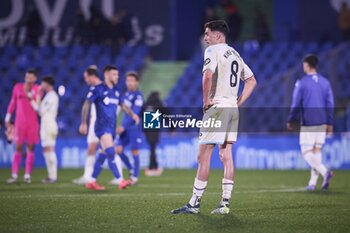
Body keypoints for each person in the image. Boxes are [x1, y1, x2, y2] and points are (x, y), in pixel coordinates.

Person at [171, 20, 257, 214]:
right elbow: (251, 81)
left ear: (218, 36)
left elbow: (208, 76)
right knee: (226, 156)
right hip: (231, 110)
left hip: (217, 108)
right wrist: (237, 102)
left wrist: (206, 100)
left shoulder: (212, 51)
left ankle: (194, 203)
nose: (205, 37)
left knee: (203, 156)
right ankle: (225, 203)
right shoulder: (235, 54)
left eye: (208, 33)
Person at [80, 65, 139, 190]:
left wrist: (133, 115)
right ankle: (120, 180)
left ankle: (92, 180)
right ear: (106, 75)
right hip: (102, 127)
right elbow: (87, 104)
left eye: (117, 74)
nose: (117, 77)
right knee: (111, 152)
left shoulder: (116, 91)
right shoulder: (98, 89)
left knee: (102, 154)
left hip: (111, 127)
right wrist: (83, 123)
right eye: (114, 74)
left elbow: (123, 105)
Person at [287, 54, 334, 191]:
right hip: (322, 121)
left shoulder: (301, 82)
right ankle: (312, 183)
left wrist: (290, 119)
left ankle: (325, 172)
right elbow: (330, 104)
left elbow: (295, 104)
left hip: (308, 122)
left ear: (306, 65)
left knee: (306, 152)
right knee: (316, 151)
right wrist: (330, 123)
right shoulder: (325, 82)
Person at [5, 69, 40, 184]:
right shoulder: (17, 87)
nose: (29, 79)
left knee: (30, 148)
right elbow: (12, 103)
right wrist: (7, 118)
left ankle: (27, 175)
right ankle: (14, 175)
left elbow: (38, 109)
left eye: (31, 77)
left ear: (35, 79)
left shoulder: (37, 90)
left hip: (32, 124)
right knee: (18, 148)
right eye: (27, 77)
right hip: (19, 124)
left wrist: (29, 95)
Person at [114, 72, 144, 185]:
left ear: (137, 82)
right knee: (118, 150)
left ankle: (135, 176)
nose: (130, 83)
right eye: (128, 81)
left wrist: (123, 126)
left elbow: (135, 113)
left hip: (133, 127)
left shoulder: (138, 96)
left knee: (134, 150)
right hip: (125, 126)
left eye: (132, 80)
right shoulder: (126, 95)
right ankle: (131, 169)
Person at [30, 76, 59, 183]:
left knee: (50, 149)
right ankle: (51, 175)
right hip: (46, 125)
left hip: (49, 125)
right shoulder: (48, 96)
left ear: (47, 84)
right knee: (46, 150)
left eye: (42, 83)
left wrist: (35, 98)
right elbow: (40, 111)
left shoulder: (52, 96)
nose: (41, 85)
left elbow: (40, 111)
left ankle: (53, 176)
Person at [143, 91, 164, 176]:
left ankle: (153, 166)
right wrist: (172, 127)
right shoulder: (158, 103)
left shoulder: (146, 104)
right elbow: (165, 112)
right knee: (153, 148)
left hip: (147, 128)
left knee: (152, 148)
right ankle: (152, 167)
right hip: (154, 128)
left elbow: (141, 114)